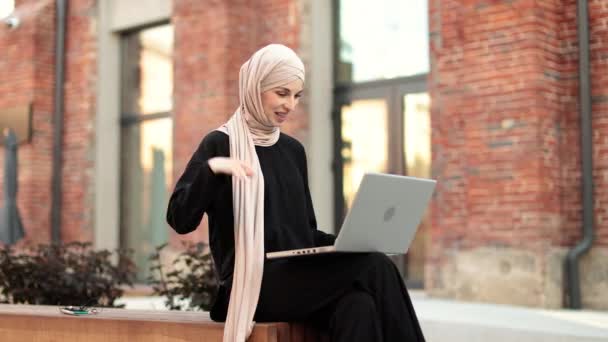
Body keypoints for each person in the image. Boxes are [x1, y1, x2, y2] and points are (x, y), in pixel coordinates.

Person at [166, 44, 425, 342]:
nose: (289, 104)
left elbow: (306, 232)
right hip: (250, 284)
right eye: (281, 93)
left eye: (296, 95)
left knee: (359, 305)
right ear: (255, 86)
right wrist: (211, 170)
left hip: (296, 278)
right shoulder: (220, 144)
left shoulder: (292, 151)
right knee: (375, 267)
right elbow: (180, 219)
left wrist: (349, 243)